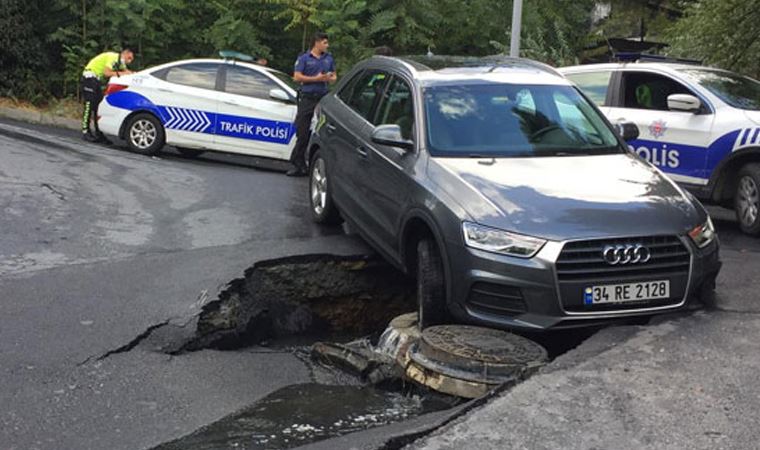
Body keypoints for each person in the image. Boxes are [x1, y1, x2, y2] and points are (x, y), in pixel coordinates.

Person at [288, 32, 336, 177]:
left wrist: (328, 78)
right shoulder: (304, 58)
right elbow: (297, 77)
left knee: (322, 131)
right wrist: (315, 79)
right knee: (302, 132)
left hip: (322, 97)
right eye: (324, 43)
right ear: (317, 43)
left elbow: (334, 76)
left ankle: (314, 163)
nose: (327, 46)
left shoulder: (328, 58)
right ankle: (297, 162)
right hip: (307, 97)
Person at [80, 47, 134, 142]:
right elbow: (106, 72)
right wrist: (122, 73)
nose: (129, 61)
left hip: (96, 80)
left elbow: (126, 73)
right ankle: (85, 131)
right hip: (89, 77)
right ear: (124, 54)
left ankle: (98, 132)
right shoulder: (113, 57)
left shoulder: (120, 63)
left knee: (99, 106)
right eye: (129, 58)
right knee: (89, 104)